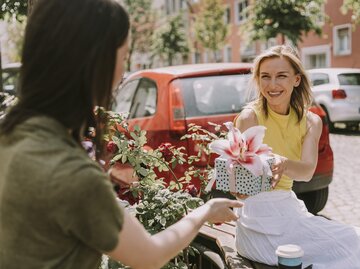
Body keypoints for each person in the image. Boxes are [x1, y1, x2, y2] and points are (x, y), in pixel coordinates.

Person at [0, 1, 243, 269]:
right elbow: (149, 256)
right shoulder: (72, 174)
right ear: (96, 63)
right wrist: (204, 212)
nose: (123, 73)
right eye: (124, 55)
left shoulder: (11, 134)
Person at [233, 45, 360, 268]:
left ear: (297, 80)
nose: (272, 85)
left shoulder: (311, 121)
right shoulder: (249, 117)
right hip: (256, 219)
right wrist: (236, 179)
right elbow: (240, 193)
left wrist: (283, 163)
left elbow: (307, 171)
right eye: (265, 77)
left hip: (289, 211)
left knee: (353, 241)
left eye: (281, 76)